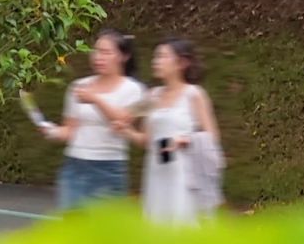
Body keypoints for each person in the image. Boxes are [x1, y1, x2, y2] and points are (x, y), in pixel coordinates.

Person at [42, 30, 144, 211]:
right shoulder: (79, 86)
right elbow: (69, 130)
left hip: (109, 168)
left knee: (104, 233)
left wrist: (95, 99)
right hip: (75, 166)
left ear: (123, 56)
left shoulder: (133, 89)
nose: (98, 57)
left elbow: (123, 120)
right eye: (96, 51)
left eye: (106, 52)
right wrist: (53, 132)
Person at [133, 38, 224, 224]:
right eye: (155, 57)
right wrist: (123, 129)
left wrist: (185, 140)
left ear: (181, 63)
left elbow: (212, 137)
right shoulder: (152, 96)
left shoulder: (194, 94)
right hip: (156, 170)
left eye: (162, 56)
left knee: (182, 223)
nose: (155, 61)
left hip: (184, 172)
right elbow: (145, 139)